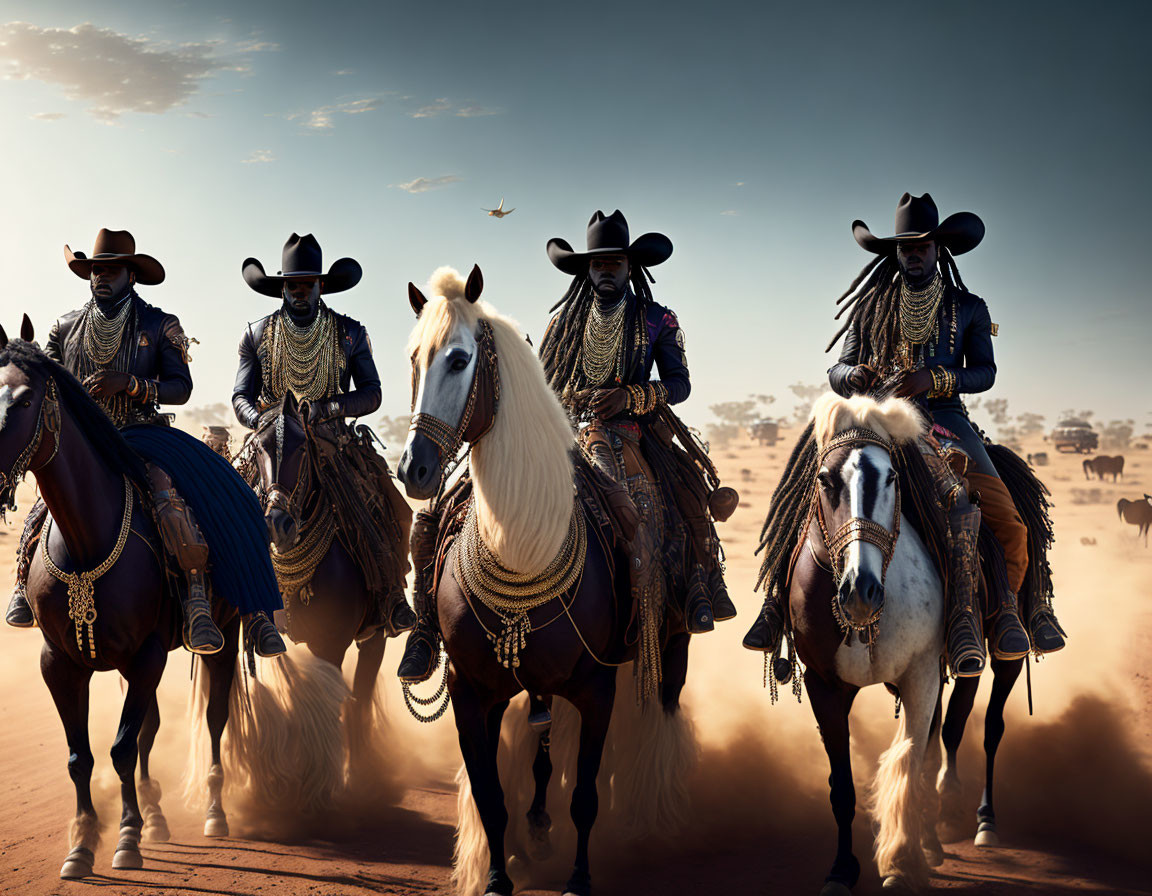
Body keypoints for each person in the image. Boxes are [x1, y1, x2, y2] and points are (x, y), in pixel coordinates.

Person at [744, 194, 1065, 673]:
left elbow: (984, 373)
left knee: (1011, 523)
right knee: (803, 491)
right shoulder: (871, 306)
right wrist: (852, 379)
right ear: (894, 253)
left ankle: (1002, 615)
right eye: (905, 248)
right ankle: (775, 605)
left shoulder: (968, 307)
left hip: (944, 423)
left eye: (922, 246)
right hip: (875, 421)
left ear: (939, 250)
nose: (913, 254)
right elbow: (838, 368)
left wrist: (933, 380)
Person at [6, 229, 283, 657]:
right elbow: (47, 384)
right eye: (95, 269)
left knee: (186, 491)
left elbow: (181, 388)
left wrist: (131, 384)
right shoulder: (64, 327)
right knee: (49, 496)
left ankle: (202, 602)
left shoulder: (159, 323)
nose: (101, 276)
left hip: (143, 434)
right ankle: (24, 581)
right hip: (83, 441)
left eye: (111, 269)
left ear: (131, 275)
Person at [232, 233, 414, 640]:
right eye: (292, 284)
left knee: (394, 508)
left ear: (321, 286)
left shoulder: (349, 332)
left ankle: (391, 597)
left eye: (307, 284)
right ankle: (216, 602)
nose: (299, 291)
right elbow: (240, 395)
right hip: (272, 442)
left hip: (334, 443)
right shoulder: (257, 334)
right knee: (225, 509)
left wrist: (328, 408)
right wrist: (261, 419)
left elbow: (372, 392)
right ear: (282, 287)